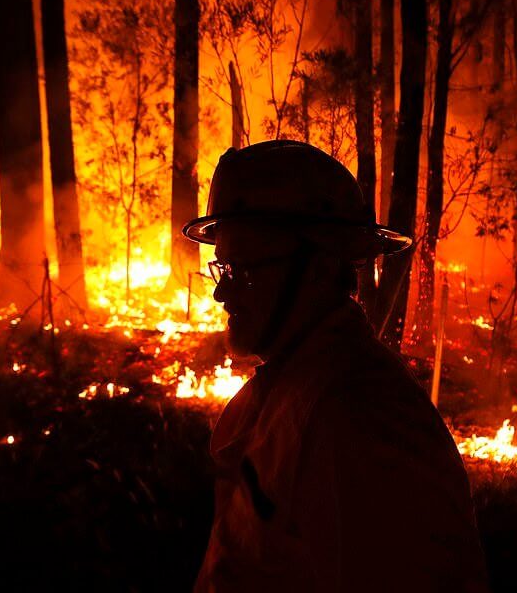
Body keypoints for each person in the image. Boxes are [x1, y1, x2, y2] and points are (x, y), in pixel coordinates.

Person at [182, 141, 490, 592]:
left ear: (320, 268)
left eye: (244, 272)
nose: (221, 295)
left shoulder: (360, 418)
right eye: (223, 270)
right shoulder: (294, 385)